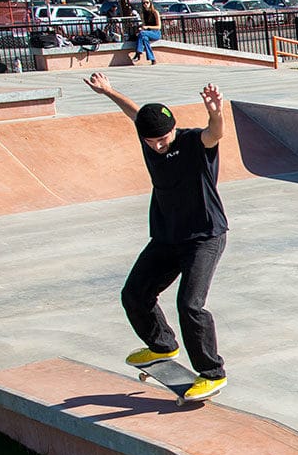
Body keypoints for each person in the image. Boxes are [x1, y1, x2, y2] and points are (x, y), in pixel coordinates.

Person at [83, 72, 230, 400]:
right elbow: (135, 113)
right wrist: (108, 91)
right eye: (153, 142)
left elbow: (214, 133)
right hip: (167, 236)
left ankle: (212, 373)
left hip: (204, 236)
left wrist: (216, 112)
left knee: (190, 305)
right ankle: (162, 346)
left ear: (173, 129)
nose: (160, 146)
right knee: (134, 294)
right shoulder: (148, 136)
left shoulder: (193, 142)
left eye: (164, 140)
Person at [133, 0, 162, 65]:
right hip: (146, 33)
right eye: (144, 3)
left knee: (142, 34)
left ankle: (138, 52)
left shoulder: (155, 12)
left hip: (155, 33)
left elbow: (159, 27)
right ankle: (152, 59)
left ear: (150, 3)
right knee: (144, 38)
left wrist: (147, 27)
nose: (145, 4)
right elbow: (144, 25)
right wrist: (142, 28)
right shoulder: (143, 14)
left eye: (147, 2)